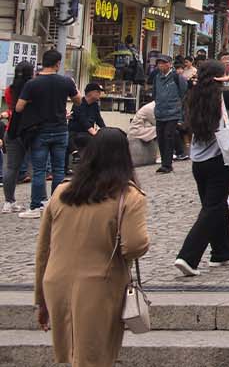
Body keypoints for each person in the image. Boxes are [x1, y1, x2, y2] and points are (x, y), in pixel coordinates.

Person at [33, 127, 149, 367]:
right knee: (95, 356)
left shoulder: (62, 192)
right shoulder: (128, 196)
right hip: (101, 285)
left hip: (57, 284)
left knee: (72, 355)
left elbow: (43, 250)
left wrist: (41, 300)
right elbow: (134, 246)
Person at [175, 60, 229, 274]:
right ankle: (187, 256)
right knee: (212, 208)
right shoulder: (226, 98)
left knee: (216, 205)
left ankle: (221, 253)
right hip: (220, 160)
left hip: (198, 161)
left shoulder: (192, 97)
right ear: (219, 76)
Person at [15, 50, 82, 216]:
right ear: (58, 64)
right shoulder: (66, 81)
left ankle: (37, 205)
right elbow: (78, 100)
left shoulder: (32, 84)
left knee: (39, 171)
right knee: (59, 169)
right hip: (60, 129)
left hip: (40, 131)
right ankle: (57, 204)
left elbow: (19, 107)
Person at [2, 61, 35, 213]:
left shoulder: (10, 90)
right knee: (39, 167)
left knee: (11, 167)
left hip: (13, 129)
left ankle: (8, 202)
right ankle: (38, 201)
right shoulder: (34, 89)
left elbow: (11, 108)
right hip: (31, 129)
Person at [151, 54, 186, 174]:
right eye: (159, 63)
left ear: (170, 64)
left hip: (173, 112)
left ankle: (167, 164)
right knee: (160, 138)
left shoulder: (177, 77)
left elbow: (183, 93)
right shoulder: (157, 77)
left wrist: (180, 111)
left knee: (168, 136)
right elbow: (154, 93)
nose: (161, 65)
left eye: (163, 63)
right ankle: (164, 163)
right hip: (160, 111)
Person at [67, 82, 106, 169]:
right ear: (90, 93)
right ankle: (75, 157)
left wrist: (106, 131)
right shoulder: (79, 103)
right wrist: (93, 132)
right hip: (76, 131)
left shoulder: (95, 105)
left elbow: (99, 119)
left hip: (86, 132)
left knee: (99, 141)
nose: (100, 94)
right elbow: (82, 120)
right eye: (98, 92)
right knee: (70, 137)